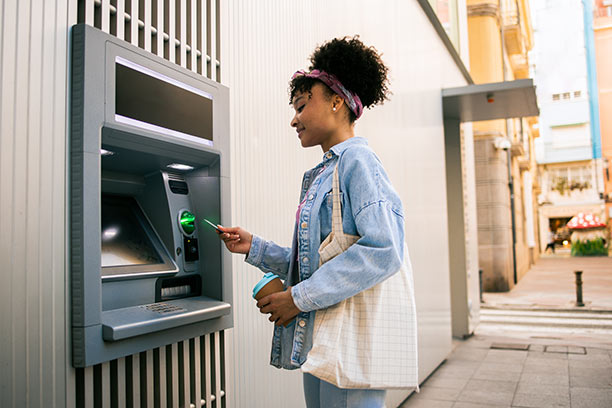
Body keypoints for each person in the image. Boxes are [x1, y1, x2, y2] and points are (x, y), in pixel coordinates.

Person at [217, 36, 406, 408]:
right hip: (325, 342)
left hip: (349, 345)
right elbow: (320, 259)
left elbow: (384, 248)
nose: (294, 118)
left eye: (302, 105)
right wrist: (254, 247)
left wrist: (297, 299)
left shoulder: (358, 163)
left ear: (337, 102)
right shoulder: (326, 171)